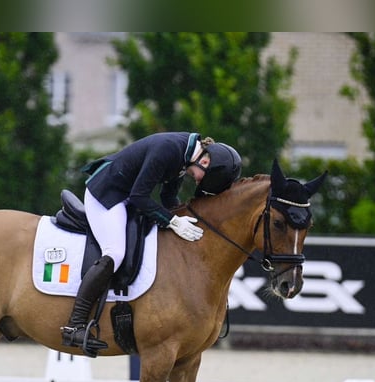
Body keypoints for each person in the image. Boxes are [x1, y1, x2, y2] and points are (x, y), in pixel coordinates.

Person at [60, 131, 242, 356]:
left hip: (128, 194)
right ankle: (74, 325)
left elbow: (168, 198)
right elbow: (139, 196)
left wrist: (183, 218)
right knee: (114, 253)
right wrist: (173, 221)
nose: (196, 180)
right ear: (205, 161)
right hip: (108, 194)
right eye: (200, 177)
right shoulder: (169, 150)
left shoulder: (186, 155)